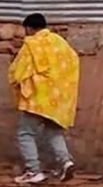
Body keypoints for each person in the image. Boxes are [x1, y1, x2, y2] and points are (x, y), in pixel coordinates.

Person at [8, 14, 79, 185]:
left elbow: (18, 71)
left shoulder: (32, 44)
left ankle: (33, 171)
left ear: (30, 28)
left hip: (38, 98)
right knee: (53, 131)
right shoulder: (60, 43)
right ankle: (65, 162)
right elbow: (73, 62)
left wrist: (15, 77)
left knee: (25, 133)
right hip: (59, 99)